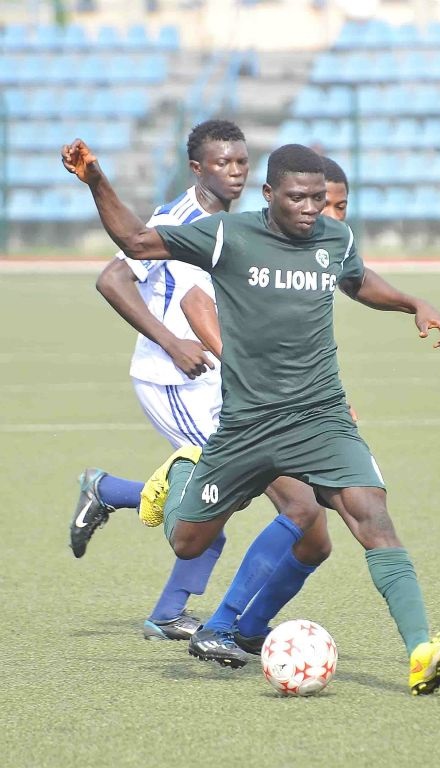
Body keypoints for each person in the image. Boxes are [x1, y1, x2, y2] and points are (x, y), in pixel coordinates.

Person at [61, 138, 440, 696]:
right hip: (247, 425)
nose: (311, 209)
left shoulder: (335, 237)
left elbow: (356, 280)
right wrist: (96, 181)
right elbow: (136, 241)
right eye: (298, 198)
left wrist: (412, 304)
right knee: (187, 541)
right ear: (270, 193)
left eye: (319, 198)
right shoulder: (227, 235)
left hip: (319, 417)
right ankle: (180, 472)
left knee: (372, 517)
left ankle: (421, 650)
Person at [69, 120, 332, 643]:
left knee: (236, 493)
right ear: (196, 168)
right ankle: (190, 615)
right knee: (237, 495)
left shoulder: (231, 220)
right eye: (222, 163)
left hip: (216, 380)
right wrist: (172, 342)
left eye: (241, 162)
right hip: (176, 381)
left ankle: (111, 495)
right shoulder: (178, 218)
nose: (234, 171)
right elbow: (113, 278)